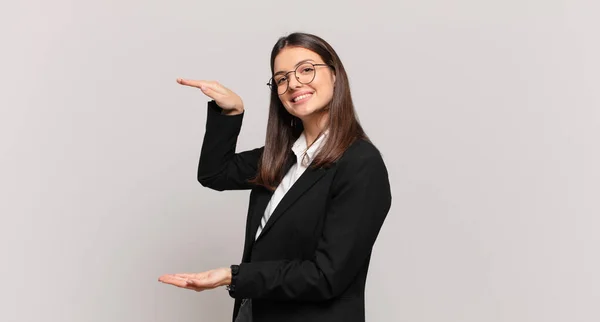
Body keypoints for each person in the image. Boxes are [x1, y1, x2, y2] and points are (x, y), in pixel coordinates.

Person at [158, 32, 392, 322]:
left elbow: (326, 275)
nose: (293, 83)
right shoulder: (280, 157)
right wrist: (230, 112)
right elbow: (214, 173)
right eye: (281, 79)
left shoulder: (361, 164)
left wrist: (233, 276)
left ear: (334, 75)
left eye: (306, 69)